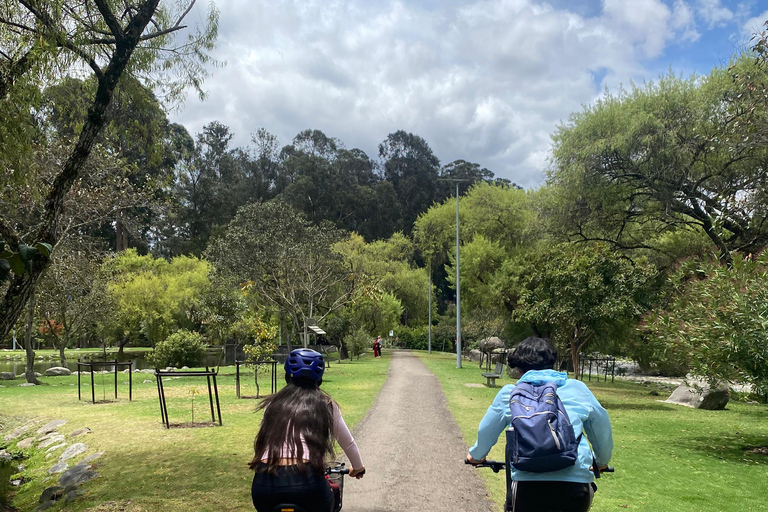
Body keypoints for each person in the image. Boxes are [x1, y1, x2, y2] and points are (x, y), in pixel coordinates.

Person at [466, 337, 613, 512]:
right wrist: (601, 462)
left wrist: (476, 455)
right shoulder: (578, 389)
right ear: (552, 362)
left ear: (519, 369)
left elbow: (486, 431)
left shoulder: (510, 393)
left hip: (528, 488)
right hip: (575, 485)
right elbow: (601, 429)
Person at [250, 348, 365, 512]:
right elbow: (348, 444)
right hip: (308, 484)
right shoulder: (326, 405)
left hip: (265, 484)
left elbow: (263, 442)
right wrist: (358, 468)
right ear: (319, 379)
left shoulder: (272, 404)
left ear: (287, 375)